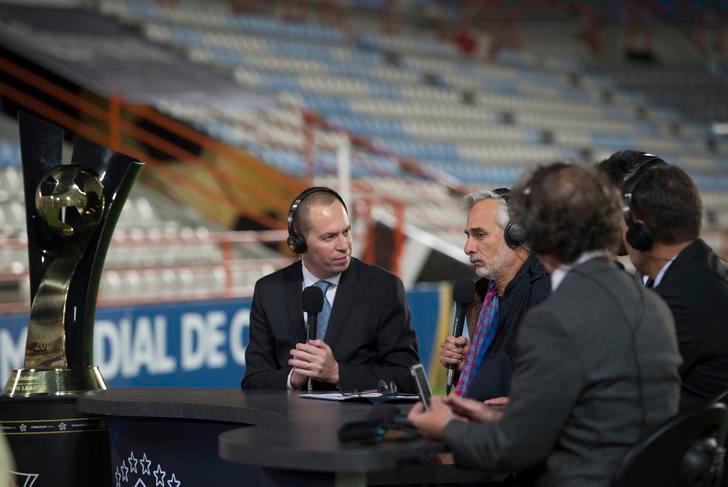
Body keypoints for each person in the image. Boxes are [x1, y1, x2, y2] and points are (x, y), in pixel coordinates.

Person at [409, 164, 681, 487]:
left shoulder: (552, 317)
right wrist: (496, 414)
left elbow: (514, 448)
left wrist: (447, 427)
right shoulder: (652, 304)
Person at [242, 187, 420, 392]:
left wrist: (337, 373)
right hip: (289, 422)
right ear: (299, 243)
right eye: (329, 237)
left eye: (346, 231)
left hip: (358, 422)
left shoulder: (384, 288)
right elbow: (253, 382)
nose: (344, 245)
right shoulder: (269, 291)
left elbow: (408, 378)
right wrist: (293, 377)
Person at [620, 161, 728, 411]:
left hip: (669, 442)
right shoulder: (706, 269)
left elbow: (620, 390)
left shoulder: (674, 303)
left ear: (640, 232)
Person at [439, 188, 550, 403]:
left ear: (516, 233)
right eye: (468, 236)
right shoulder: (484, 295)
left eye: (480, 235)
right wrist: (470, 364)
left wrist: (527, 403)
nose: (468, 248)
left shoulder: (546, 291)